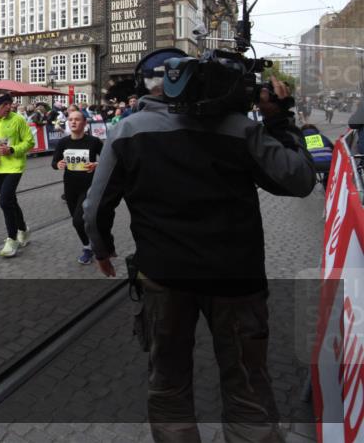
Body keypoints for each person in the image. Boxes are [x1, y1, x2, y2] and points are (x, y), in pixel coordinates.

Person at [82, 47, 315, 443]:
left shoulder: (127, 131)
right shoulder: (241, 128)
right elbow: (299, 180)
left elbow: (95, 204)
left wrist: (101, 247)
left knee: (169, 383)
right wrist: (278, 118)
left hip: (164, 276)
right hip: (237, 278)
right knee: (247, 386)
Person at [0, 93, 35, 258]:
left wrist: (12, 150)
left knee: (4, 201)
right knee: (10, 200)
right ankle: (23, 229)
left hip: (15, 166)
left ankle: (12, 239)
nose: (9, 107)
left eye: (10, 104)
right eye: (5, 105)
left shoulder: (18, 120)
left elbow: (30, 142)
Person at [50, 109, 105, 264]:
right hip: (70, 188)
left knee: (77, 221)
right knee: (78, 220)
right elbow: (54, 163)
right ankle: (89, 244)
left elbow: (107, 160)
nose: (73, 122)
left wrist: (96, 164)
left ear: (84, 123)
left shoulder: (93, 142)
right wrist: (58, 164)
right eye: (71, 119)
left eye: (77, 119)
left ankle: (88, 248)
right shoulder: (63, 142)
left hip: (88, 187)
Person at [300, 123, 334, 187]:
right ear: (316, 130)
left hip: (311, 166)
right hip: (328, 164)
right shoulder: (323, 137)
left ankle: (306, 184)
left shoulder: (300, 139)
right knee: (328, 170)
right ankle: (326, 184)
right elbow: (333, 149)